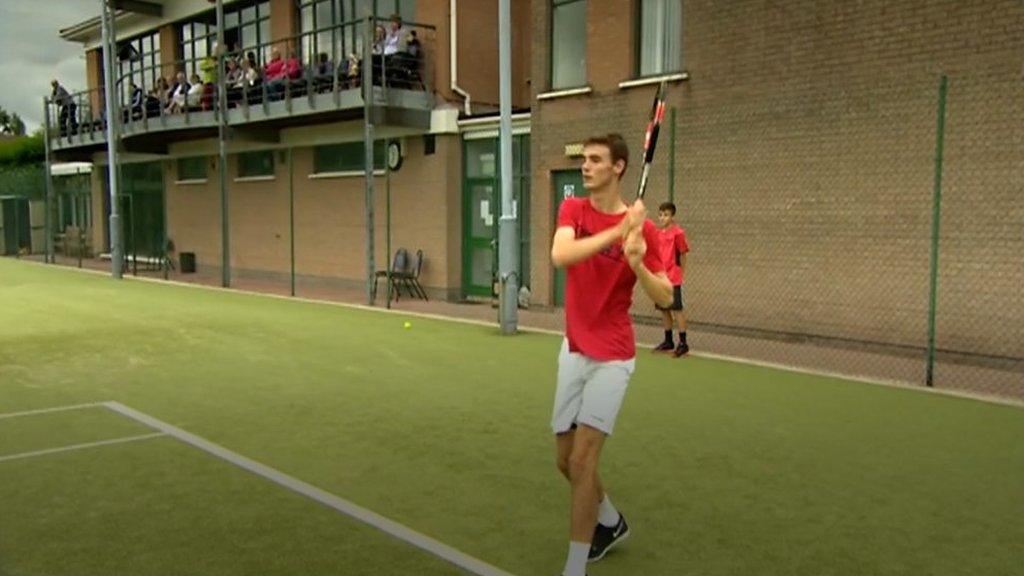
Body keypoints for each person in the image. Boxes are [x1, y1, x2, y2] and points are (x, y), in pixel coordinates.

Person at [549, 133, 672, 576]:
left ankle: (575, 566)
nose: (586, 166)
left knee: (583, 461)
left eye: (596, 160)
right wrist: (616, 233)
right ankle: (610, 521)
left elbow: (666, 296)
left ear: (618, 168)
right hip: (574, 349)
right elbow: (561, 254)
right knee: (564, 461)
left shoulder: (647, 232)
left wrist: (637, 262)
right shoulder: (574, 211)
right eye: (584, 158)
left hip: (613, 357)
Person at [652, 201, 691, 357]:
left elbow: (683, 253)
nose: (662, 218)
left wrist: (681, 273)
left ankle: (683, 343)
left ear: (672, 216)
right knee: (664, 309)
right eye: (660, 215)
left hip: (674, 277)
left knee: (677, 310)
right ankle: (668, 340)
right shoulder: (658, 233)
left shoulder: (678, 233)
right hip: (661, 277)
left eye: (666, 215)